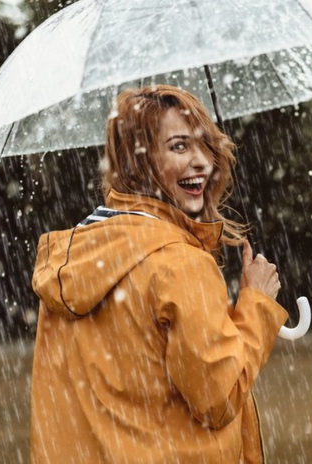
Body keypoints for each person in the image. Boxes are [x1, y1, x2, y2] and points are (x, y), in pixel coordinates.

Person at [30, 85, 288, 463]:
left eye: (206, 145)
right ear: (138, 162)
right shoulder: (179, 264)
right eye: (179, 146)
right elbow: (218, 398)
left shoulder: (77, 256)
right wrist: (257, 307)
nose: (202, 162)